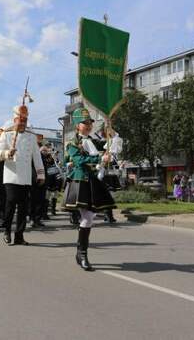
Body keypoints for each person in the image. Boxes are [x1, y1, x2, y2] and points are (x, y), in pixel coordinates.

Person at [63, 108, 116, 271]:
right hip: (80, 181)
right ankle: (82, 254)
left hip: (93, 180)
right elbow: (79, 160)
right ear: (77, 125)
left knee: (90, 217)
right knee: (87, 217)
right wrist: (100, 157)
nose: (88, 125)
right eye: (84, 123)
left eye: (90, 122)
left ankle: (80, 253)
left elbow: (110, 144)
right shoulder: (72, 143)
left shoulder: (94, 141)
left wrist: (111, 133)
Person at [0, 105, 45, 245]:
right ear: (15, 120)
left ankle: (19, 235)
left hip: (26, 176)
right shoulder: (6, 134)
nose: (23, 123)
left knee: (23, 207)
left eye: (25, 120)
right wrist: (6, 153)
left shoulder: (31, 136)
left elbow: (37, 156)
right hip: (11, 175)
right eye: (20, 120)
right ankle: (6, 230)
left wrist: (41, 174)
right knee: (11, 203)